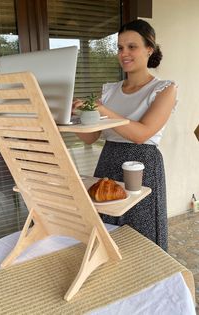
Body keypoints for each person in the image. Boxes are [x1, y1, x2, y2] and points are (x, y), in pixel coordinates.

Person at [72, 19, 178, 251]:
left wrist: (102, 110)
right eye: (120, 48)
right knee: (107, 231)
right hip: (109, 159)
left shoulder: (164, 89)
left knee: (140, 233)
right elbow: (91, 138)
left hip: (142, 164)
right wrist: (79, 117)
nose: (124, 53)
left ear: (149, 49)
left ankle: (142, 279)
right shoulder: (109, 90)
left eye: (132, 47)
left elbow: (142, 134)